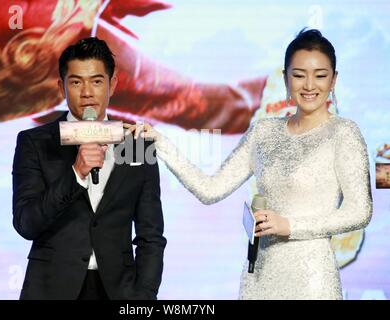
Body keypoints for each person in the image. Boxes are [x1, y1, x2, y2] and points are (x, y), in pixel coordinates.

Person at [126, 29, 372, 299]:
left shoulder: (344, 133)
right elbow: (210, 190)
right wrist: (160, 142)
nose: (309, 85)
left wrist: (290, 225)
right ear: (286, 79)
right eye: (299, 75)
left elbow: (360, 211)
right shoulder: (264, 132)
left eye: (320, 75)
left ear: (334, 80)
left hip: (312, 280)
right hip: (259, 277)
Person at [12, 37, 166, 300]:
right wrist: (75, 174)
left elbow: (151, 235)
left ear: (112, 84)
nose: (86, 92)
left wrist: (143, 298)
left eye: (96, 81)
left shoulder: (137, 143)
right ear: (62, 86)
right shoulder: (35, 143)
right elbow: (27, 224)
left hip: (119, 291)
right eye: (76, 82)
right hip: (51, 289)